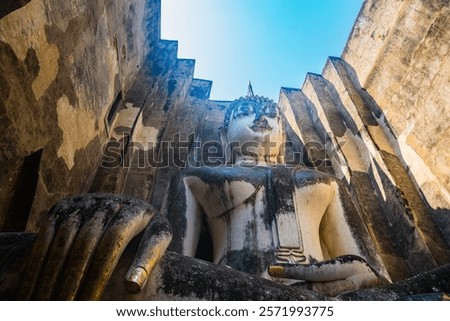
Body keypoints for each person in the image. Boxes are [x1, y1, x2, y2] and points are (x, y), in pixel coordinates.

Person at [11, 87, 389, 300]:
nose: (262, 120)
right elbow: (171, 259)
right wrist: (126, 225)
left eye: (271, 116)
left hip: (331, 299)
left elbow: (375, 272)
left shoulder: (325, 182)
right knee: (93, 261)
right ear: (224, 136)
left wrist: (365, 274)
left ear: (284, 134)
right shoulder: (197, 177)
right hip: (228, 292)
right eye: (244, 112)